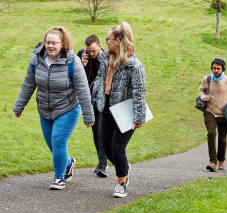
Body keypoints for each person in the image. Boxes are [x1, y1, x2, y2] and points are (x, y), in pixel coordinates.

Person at [13, 26, 95, 190]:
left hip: (68, 108)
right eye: (47, 42)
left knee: (58, 141)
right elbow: (28, 84)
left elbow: (83, 90)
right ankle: (69, 162)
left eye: (54, 43)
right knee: (53, 144)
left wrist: (88, 116)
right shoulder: (36, 59)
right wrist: (19, 106)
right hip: (45, 109)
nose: (50, 46)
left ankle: (59, 178)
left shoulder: (72, 62)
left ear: (63, 43)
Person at [92, 22, 146, 198]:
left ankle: (122, 183)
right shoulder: (104, 59)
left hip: (125, 112)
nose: (106, 41)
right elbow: (100, 80)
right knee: (106, 149)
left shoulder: (134, 66)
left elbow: (139, 93)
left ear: (118, 41)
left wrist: (139, 117)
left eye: (108, 39)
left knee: (117, 147)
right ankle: (124, 166)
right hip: (106, 109)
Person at [198, 58, 227, 172]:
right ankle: (212, 162)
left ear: (223, 69)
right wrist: (203, 97)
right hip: (209, 111)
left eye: (218, 68)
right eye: (214, 68)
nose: (216, 70)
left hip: (224, 114)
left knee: (222, 138)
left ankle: (221, 161)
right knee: (211, 133)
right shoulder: (207, 79)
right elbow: (200, 90)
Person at [77, 34, 108, 177]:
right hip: (90, 101)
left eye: (94, 51)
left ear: (100, 46)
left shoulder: (107, 58)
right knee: (96, 132)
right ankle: (102, 162)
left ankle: (103, 164)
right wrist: (81, 66)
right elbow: (77, 80)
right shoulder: (82, 56)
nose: (91, 54)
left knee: (102, 131)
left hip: (104, 100)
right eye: (88, 51)